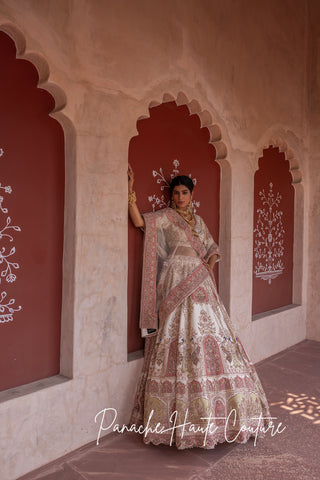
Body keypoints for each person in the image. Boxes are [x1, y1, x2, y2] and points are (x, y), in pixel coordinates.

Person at [128, 163, 270, 449]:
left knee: (213, 335)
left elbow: (213, 248)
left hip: (201, 282)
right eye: (176, 193)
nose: (180, 197)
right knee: (177, 332)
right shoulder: (166, 217)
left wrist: (209, 264)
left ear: (191, 195)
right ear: (171, 196)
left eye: (184, 192)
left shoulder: (199, 222)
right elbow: (140, 223)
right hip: (175, 284)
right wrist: (129, 193)